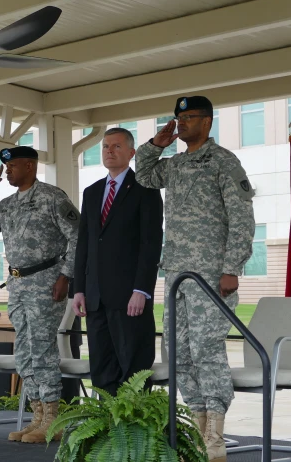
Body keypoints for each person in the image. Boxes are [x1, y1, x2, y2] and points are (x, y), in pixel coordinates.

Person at [135, 96, 255, 462]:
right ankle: (199, 427)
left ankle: (215, 434)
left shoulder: (222, 161)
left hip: (210, 276)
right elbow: (142, 174)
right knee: (179, 353)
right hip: (176, 273)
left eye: (188, 117)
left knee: (206, 349)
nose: (182, 122)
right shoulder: (175, 164)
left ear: (208, 122)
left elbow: (242, 217)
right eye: (178, 117)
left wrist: (232, 267)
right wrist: (157, 143)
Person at [0, 146, 79, 444]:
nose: (7, 172)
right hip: (17, 286)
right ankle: (37, 416)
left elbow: (78, 236)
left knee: (42, 351)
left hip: (46, 283)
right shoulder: (6, 205)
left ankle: (52, 420)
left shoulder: (52, 197)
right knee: (26, 355)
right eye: (5, 168)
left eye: (12, 166)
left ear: (30, 166)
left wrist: (66, 276)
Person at [72, 127, 163, 396]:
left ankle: (133, 434)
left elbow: (151, 243)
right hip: (95, 297)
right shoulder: (92, 192)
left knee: (133, 368)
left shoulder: (145, 189)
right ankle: (108, 430)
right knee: (102, 367)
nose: (109, 151)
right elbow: (84, 245)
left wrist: (142, 290)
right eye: (105, 147)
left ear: (132, 153)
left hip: (129, 298)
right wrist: (79, 288)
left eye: (116, 146)